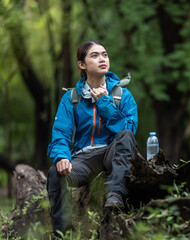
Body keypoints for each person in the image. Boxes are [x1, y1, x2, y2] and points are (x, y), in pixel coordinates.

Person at [46, 40, 138, 235]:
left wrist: (104, 102)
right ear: (82, 64)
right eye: (94, 56)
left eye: (104, 54)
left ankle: (115, 194)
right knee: (55, 172)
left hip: (111, 153)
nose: (102, 59)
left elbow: (127, 130)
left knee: (126, 136)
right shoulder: (71, 98)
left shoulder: (122, 95)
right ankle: (63, 233)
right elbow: (60, 132)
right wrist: (62, 156)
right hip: (83, 159)